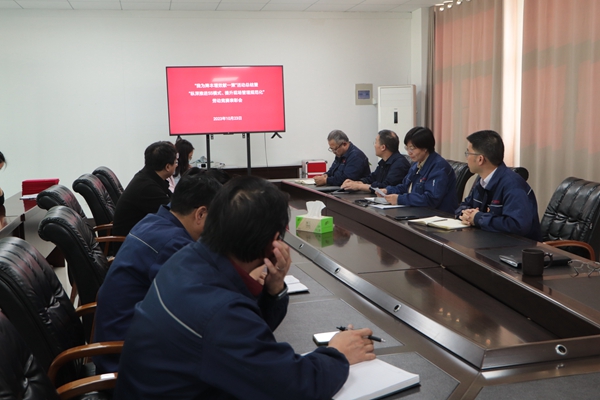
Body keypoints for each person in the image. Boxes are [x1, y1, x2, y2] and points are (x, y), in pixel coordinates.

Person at [115, 176, 376, 399]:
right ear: (274, 242)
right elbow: (293, 386)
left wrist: (273, 289)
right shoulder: (220, 312)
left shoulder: (187, 258)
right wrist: (337, 353)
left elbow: (247, 335)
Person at [94, 168, 223, 374]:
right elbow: (198, 310)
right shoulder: (173, 245)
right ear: (200, 214)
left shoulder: (153, 221)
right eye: (216, 221)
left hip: (121, 342)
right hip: (127, 361)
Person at [456, 130, 541, 241]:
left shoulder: (513, 185)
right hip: (487, 240)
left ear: (480, 159)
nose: (466, 158)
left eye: (468, 153)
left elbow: (517, 225)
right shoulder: (481, 180)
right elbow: (464, 205)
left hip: (516, 247)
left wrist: (478, 218)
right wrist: (465, 214)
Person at [381, 127, 458, 214]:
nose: (409, 152)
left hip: (437, 215)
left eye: (412, 148)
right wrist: (387, 191)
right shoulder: (416, 164)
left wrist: (400, 199)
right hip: (416, 211)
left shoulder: (439, 167)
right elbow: (405, 187)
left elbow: (431, 199)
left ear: (425, 148)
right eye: (407, 148)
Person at [112, 141, 177, 237]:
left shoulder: (147, 177)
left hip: (142, 233)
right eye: (175, 162)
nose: (176, 165)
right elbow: (174, 215)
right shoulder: (147, 187)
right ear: (167, 167)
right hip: (132, 241)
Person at [341, 129, 410, 192]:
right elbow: (372, 178)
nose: (374, 145)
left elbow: (385, 187)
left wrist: (360, 186)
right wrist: (357, 182)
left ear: (383, 147)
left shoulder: (400, 164)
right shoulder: (384, 162)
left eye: (376, 142)